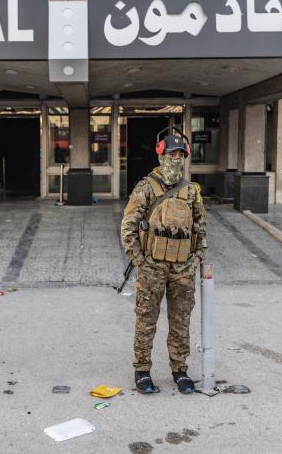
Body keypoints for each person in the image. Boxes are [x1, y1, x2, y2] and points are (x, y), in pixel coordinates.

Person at [120, 132, 207, 394]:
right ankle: (142, 369)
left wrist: (197, 257)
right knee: (146, 319)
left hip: (182, 267)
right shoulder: (146, 188)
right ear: (161, 155)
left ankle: (180, 370)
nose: (177, 159)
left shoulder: (191, 191)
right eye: (172, 155)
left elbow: (200, 226)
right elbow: (128, 227)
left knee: (181, 320)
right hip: (152, 266)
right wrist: (139, 260)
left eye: (181, 155)